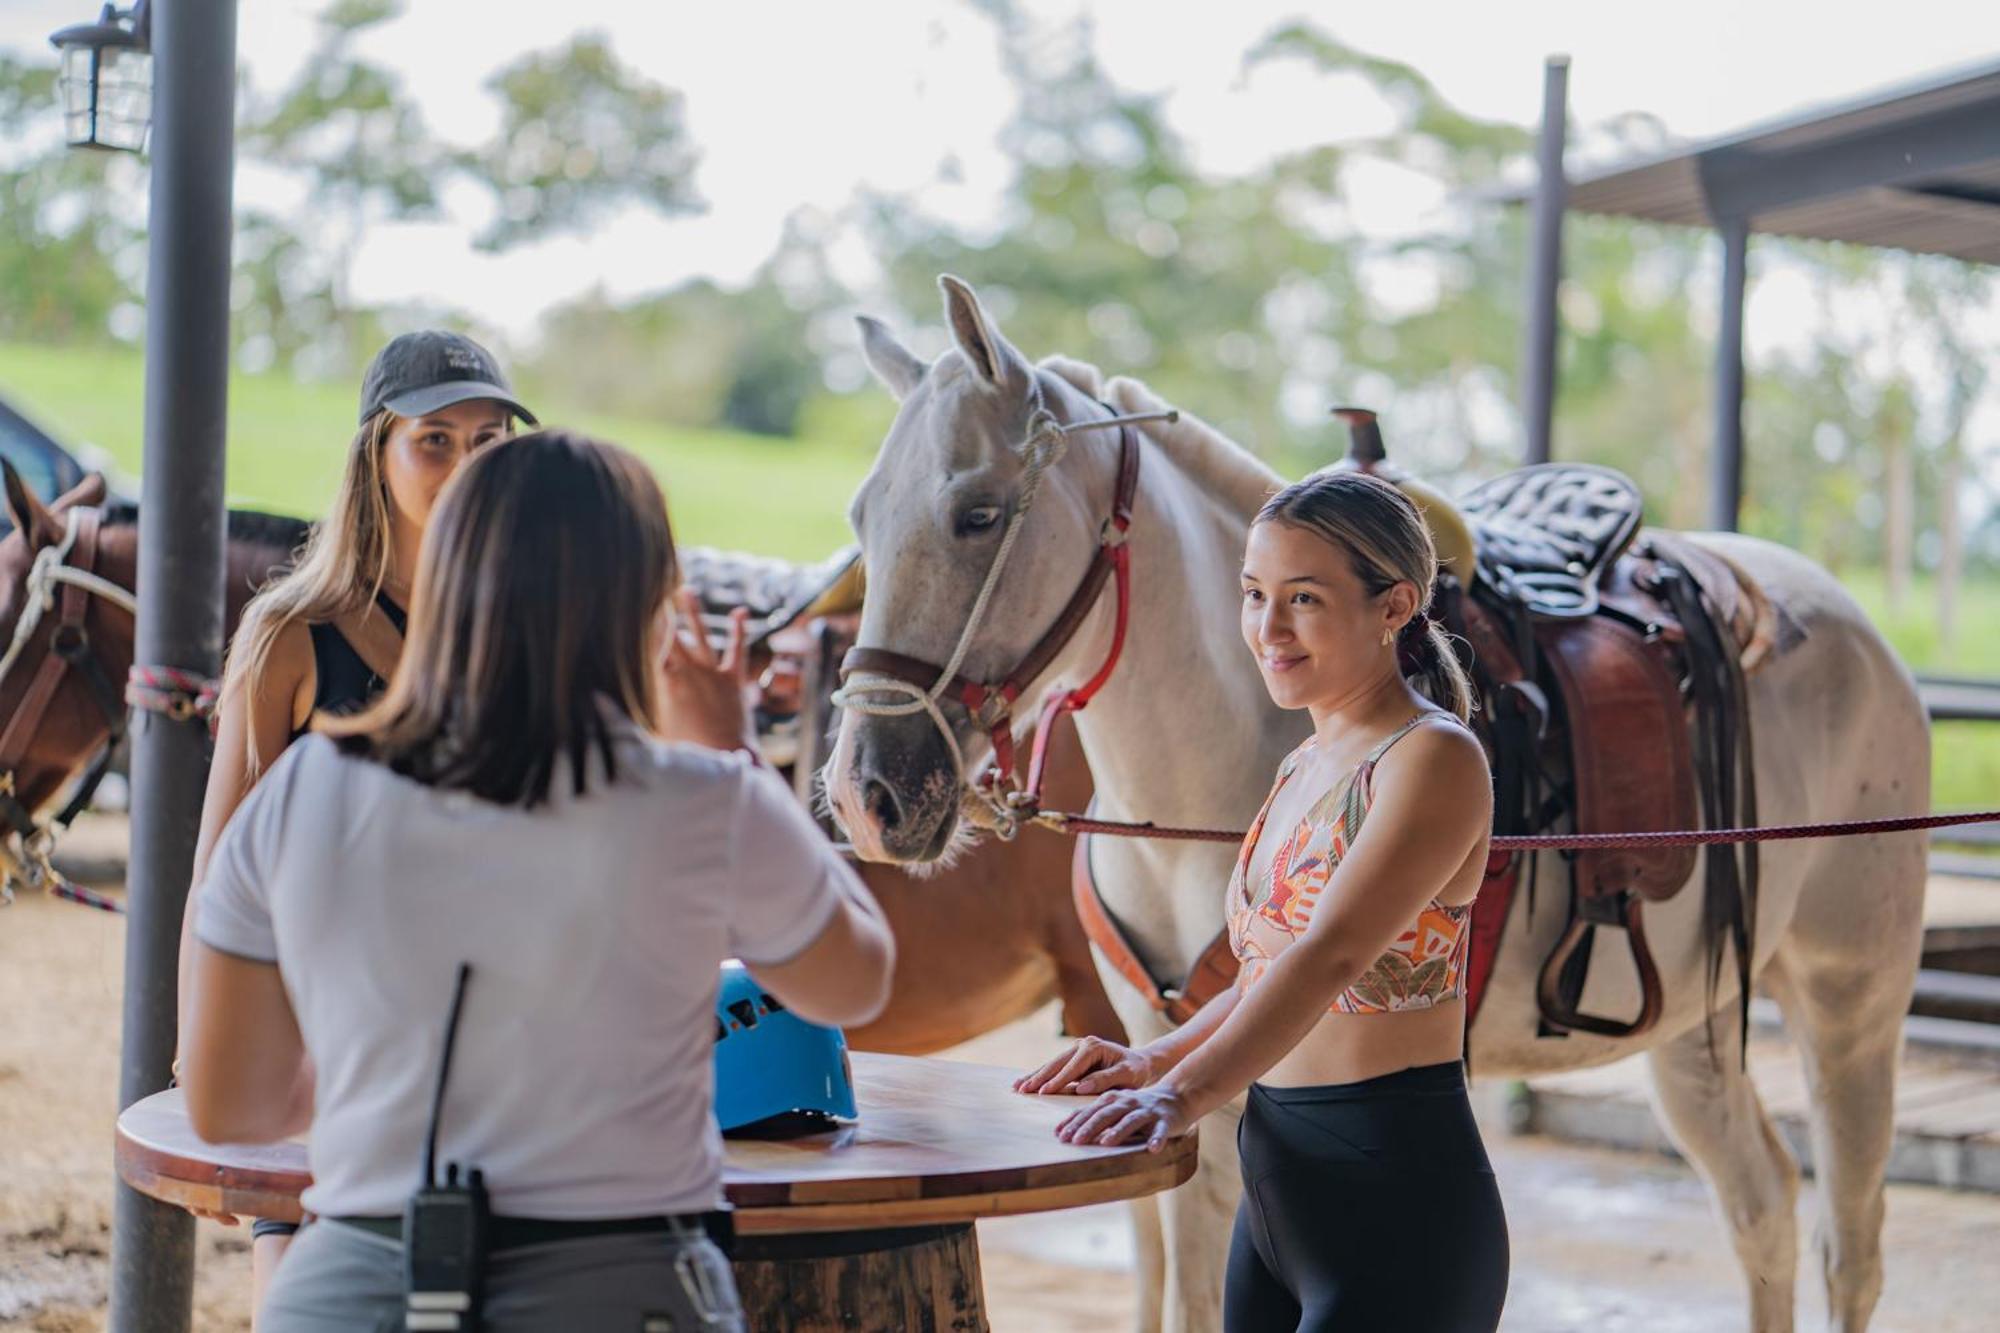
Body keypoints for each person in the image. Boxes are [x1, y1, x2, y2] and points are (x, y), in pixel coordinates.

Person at [180, 429, 895, 1331]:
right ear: (652, 609)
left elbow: (228, 1102)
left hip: (355, 1289)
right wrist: (731, 751)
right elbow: (855, 980)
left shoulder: (299, 792)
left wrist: (394, 1054)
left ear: (441, 584)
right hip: (624, 1288)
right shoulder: (703, 799)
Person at [1017, 470, 1509, 1331]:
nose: (1267, 628)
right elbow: (1265, 973)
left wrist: (1178, 1097)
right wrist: (1150, 1060)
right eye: (1253, 594)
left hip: (1397, 1208)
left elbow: (1331, 957)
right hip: (1280, 1200)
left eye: (1304, 599)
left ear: (1395, 606)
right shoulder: (1302, 764)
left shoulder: (1432, 759)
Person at [173, 330, 536, 1314]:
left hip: (487, 1065)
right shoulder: (292, 633)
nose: (465, 465)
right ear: (373, 450)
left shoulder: (519, 631)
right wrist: (204, 1060)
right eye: (435, 440)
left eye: (489, 440)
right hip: (313, 1053)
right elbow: (220, 872)